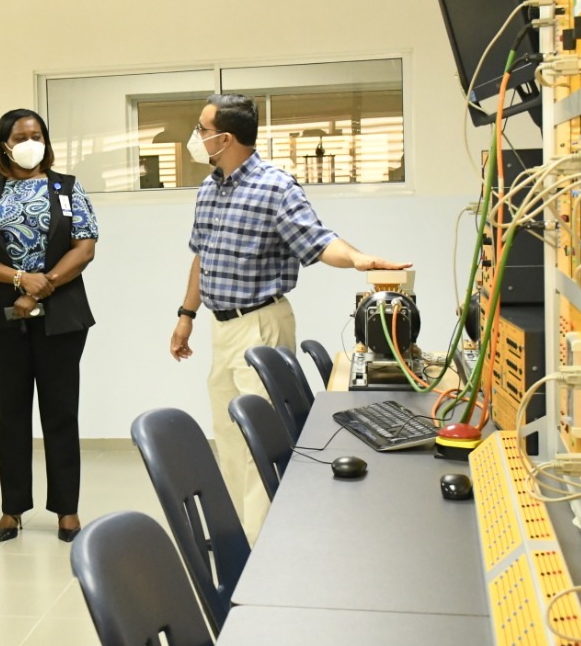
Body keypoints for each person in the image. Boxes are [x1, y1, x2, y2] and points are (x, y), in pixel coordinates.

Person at [169, 94, 410, 544]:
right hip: (221, 326)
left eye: (202, 129)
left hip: (260, 324)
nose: (196, 137)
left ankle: (262, 543)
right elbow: (202, 257)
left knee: (258, 437)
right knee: (228, 436)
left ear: (226, 138)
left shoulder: (274, 187)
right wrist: (187, 315)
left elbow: (318, 240)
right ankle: (239, 534)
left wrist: (358, 259)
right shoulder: (209, 189)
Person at [0, 109, 99, 543]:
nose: (30, 143)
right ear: (4, 144)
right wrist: (20, 279)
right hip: (1, 317)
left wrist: (41, 287)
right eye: (20, 137)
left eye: (36, 135)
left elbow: (85, 248)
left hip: (62, 316)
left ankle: (67, 510)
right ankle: (12, 508)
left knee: (61, 411)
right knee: (11, 411)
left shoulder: (67, 188)